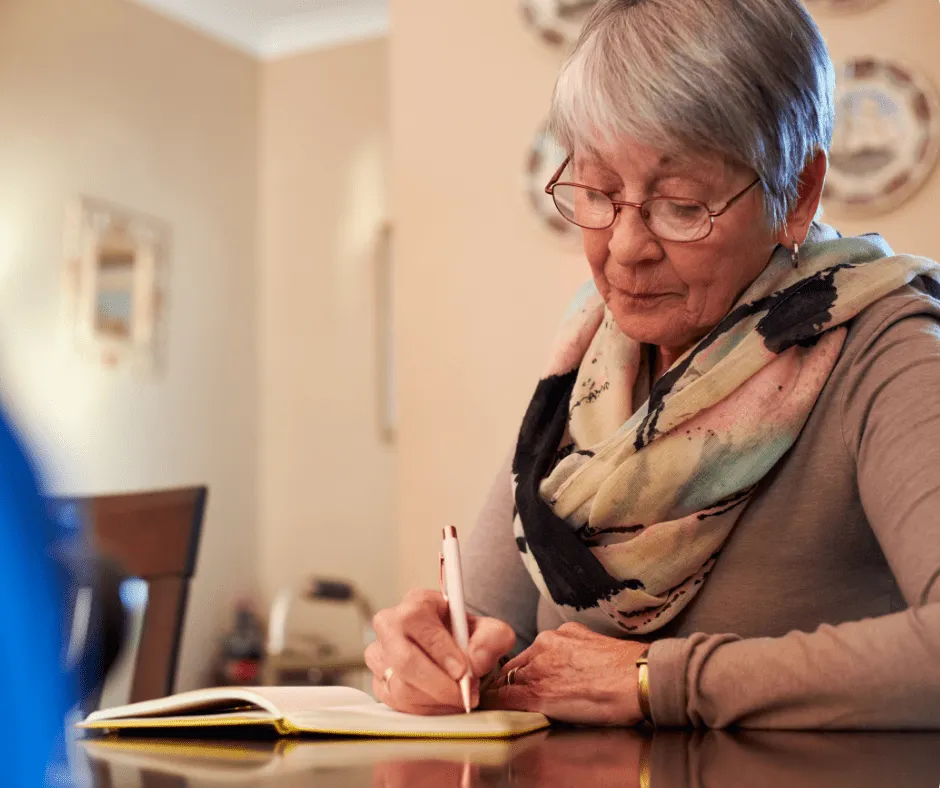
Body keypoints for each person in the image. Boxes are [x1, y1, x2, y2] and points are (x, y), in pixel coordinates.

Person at [365, 0, 940, 728]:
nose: (626, 247)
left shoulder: (884, 349)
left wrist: (658, 680)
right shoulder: (592, 370)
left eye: (681, 204)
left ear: (796, 192)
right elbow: (482, 625)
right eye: (599, 193)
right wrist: (426, 656)